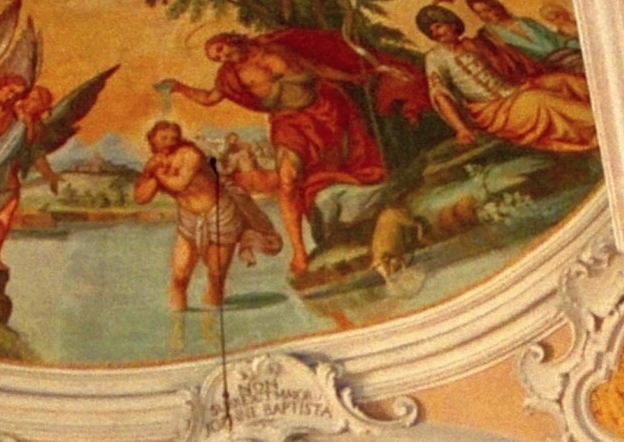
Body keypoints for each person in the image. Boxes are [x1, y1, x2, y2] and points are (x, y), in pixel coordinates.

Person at [155, 27, 429, 281]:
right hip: (288, 123)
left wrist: (353, 77)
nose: (222, 56)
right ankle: (299, 251)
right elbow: (208, 98)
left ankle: (364, 215)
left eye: (221, 49)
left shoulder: (276, 50)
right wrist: (179, 87)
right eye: (216, 57)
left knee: (350, 161)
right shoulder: (230, 77)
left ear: (230, 40)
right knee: (287, 178)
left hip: (325, 110)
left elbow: (316, 68)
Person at [135, 120, 279, 317]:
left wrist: (157, 173)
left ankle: (211, 321)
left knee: (216, 275)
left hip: (220, 214)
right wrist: (149, 173)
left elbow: (180, 184)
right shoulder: (155, 163)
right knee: (179, 275)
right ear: (152, 140)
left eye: (174, 138)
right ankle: (177, 325)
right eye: (164, 138)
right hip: (189, 219)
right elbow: (141, 197)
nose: (169, 142)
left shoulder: (190, 155)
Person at [416, 3, 600, 156]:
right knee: (539, 100)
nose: (436, 33)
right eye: (431, 31)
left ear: (452, 24)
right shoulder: (435, 57)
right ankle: (598, 126)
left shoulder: (478, 42)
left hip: (514, 90)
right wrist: (461, 129)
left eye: (438, 26)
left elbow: (510, 64)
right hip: (492, 108)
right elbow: (440, 94)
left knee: (563, 80)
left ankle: (609, 105)